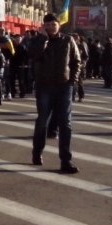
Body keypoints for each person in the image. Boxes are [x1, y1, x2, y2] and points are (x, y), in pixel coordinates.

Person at [30, 13, 81, 174]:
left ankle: (66, 160)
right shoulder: (38, 41)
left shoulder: (68, 40)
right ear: (43, 26)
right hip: (44, 86)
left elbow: (76, 61)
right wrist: (43, 39)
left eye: (54, 24)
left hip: (64, 86)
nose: (51, 27)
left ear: (59, 25)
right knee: (43, 121)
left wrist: (72, 80)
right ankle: (37, 152)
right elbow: (33, 56)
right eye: (48, 25)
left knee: (65, 124)